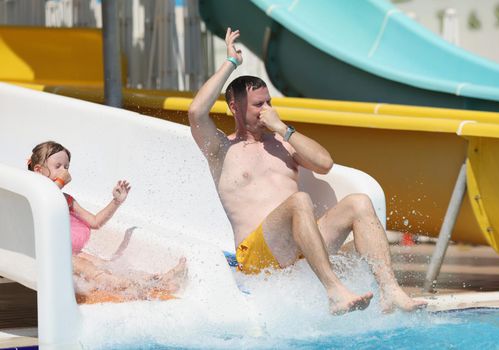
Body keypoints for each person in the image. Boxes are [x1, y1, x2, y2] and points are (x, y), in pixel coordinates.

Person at [188, 28, 427, 315]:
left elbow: (324, 163)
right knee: (300, 201)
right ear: (234, 107)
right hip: (257, 256)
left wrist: (283, 130)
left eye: (269, 102)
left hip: (301, 247)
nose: (267, 109)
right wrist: (231, 63)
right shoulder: (221, 149)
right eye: (258, 104)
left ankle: (391, 291)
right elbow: (196, 112)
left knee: (359, 203)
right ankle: (334, 291)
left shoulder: (283, 143)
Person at [28, 141, 187, 303]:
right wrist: (60, 182)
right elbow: (44, 201)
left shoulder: (66, 200)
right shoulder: (30, 197)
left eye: (67, 167)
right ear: (39, 171)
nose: (64, 171)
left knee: (107, 265)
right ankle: (128, 285)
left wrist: (116, 201)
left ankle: (159, 281)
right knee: (85, 266)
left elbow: (95, 222)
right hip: (47, 256)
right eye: (58, 166)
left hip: (71, 254)